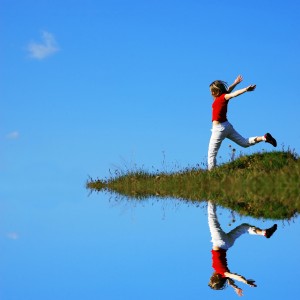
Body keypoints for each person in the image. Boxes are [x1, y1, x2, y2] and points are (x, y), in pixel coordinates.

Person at [207, 201, 277, 296]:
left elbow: (230, 281)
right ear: (215, 277)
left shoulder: (225, 274)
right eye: (211, 279)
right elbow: (236, 277)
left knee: (244, 228)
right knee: (212, 218)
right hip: (219, 242)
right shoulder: (222, 272)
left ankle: (264, 233)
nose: (210, 276)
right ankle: (212, 198)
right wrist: (245, 281)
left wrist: (235, 287)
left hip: (228, 244)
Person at [208, 75, 277, 170]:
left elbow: (233, 94)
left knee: (211, 154)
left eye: (213, 91)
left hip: (219, 129)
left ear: (218, 91)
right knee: (244, 143)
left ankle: (212, 175)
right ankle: (264, 138)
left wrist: (245, 89)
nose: (211, 93)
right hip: (227, 126)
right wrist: (235, 83)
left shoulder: (224, 97)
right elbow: (229, 90)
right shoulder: (221, 97)